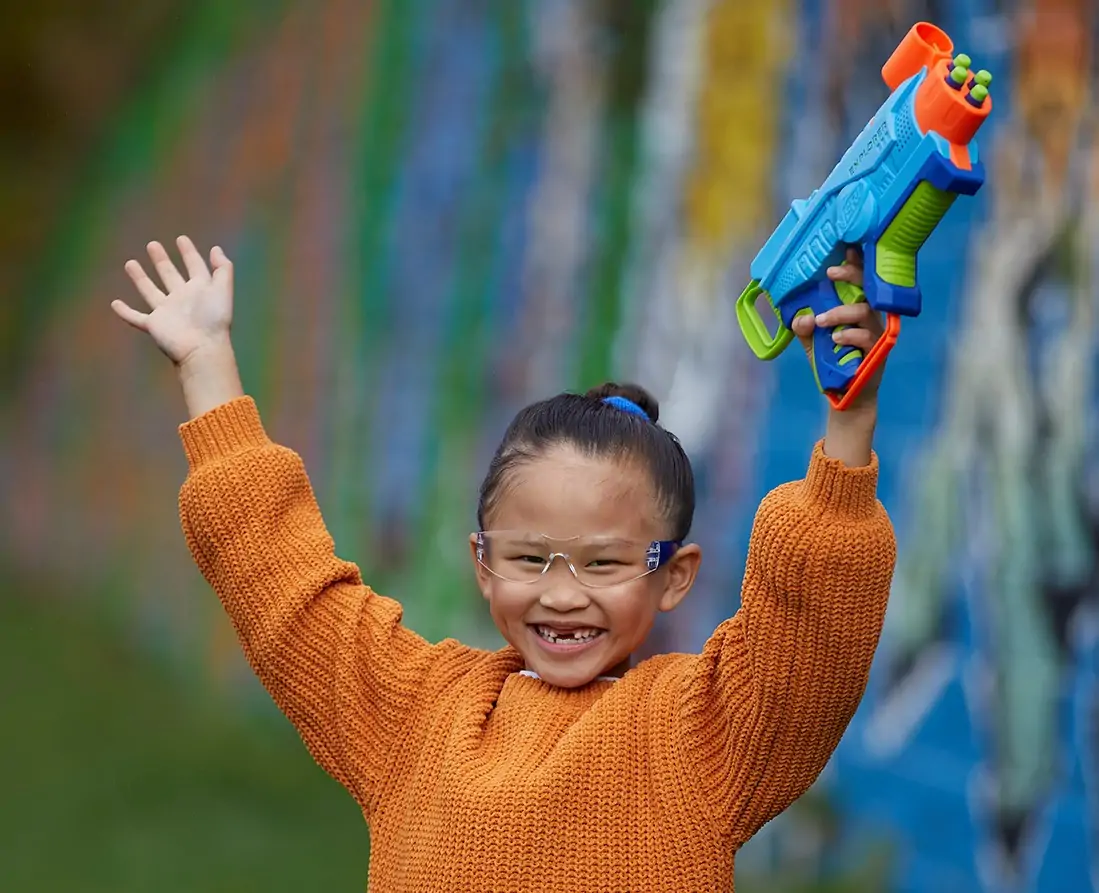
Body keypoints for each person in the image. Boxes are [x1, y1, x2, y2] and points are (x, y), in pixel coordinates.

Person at [112, 235, 896, 892]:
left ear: (674, 575)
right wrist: (207, 362)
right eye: (528, 557)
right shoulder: (412, 715)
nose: (561, 594)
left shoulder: (701, 734)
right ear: (481, 564)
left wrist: (847, 418)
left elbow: (804, 643)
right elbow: (285, 584)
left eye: (603, 563)